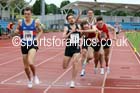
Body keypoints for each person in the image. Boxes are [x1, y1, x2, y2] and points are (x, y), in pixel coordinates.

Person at [15, 7, 43, 88]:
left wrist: (37, 38)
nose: (26, 15)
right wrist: (16, 32)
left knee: (31, 62)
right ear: (23, 14)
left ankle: (35, 76)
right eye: (25, 14)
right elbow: (17, 30)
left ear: (31, 14)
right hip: (24, 45)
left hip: (32, 44)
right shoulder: (20, 22)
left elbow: (41, 31)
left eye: (28, 14)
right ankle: (30, 80)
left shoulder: (35, 23)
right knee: (26, 67)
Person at [62, 14, 81, 88]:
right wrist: (70, 32)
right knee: (64, 66)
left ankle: (72, 81)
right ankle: (70, 62)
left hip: (76, 47)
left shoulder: (78, 26)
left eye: (72, 18)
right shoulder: (66, 28)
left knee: (75, 62)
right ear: (67, 20)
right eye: (69, 19)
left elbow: (82, 33)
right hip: (69, 48)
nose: (71, 19)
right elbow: (63, 37)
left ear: (74, 19)